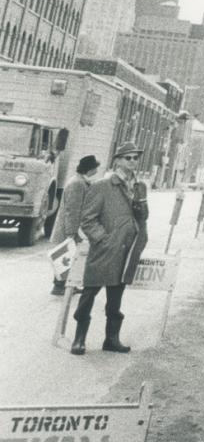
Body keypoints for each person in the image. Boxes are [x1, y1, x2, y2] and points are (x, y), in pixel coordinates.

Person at [72, 146, 149, 355]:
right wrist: (103, 240)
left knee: (116, 298)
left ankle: (111, 339)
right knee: (89, 294)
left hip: (127, 251)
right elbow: (88, 220)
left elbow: (143, 217)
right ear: (117, 161)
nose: (133, 161)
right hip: (105, 250)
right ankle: (79, 339)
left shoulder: (139, 186)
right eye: (128, 158)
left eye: (135, 158)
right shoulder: (102, 186)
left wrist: (141, 209)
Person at [50, 154, 99, 295]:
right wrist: (71, 232)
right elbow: (73, 210)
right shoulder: (77, 183)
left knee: (71, 257)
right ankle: (59, 286)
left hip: (72, 228)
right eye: (95, 168)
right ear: (89, 169)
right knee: (65, 256)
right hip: (70, 228)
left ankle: (68, 285)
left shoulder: (79, 181)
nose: (96, 171)